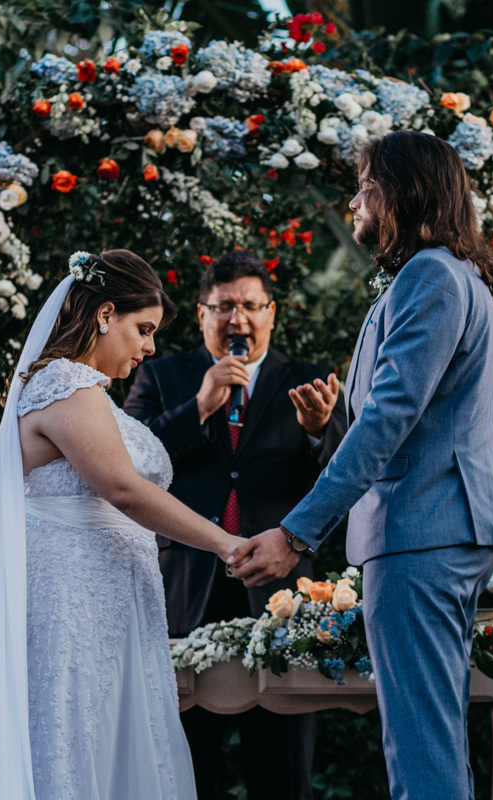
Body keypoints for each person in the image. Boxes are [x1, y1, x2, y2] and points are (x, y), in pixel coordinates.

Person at [231, 130, 493, 800]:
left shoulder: (430, 278)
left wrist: (296, 534)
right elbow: (401, 424)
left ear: (399, 192)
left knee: (418, 748)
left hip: (425, 532)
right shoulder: (448, 277)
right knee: (431, 741)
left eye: (363, 185)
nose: (353, 200)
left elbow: (388, 423)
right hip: (438, 530)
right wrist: (323, 427)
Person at [0, 250, 245, 800]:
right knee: (67, 736)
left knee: (103, 737)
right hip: (70, 600)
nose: (150, 346)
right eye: (144, 328)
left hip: (108, 601)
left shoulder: (90, 394)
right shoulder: (65, 384)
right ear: (105, 313)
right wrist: (228, 544)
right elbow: (123, 489)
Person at [123, 251, 347, 800]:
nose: (237, 319)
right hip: (184, 593)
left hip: (280, 598)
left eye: (250, 306)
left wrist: (322, 430)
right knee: (181, 766)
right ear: (201, 314)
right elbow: (125, 466)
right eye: (223, 307)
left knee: (283, 771)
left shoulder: (307, 381)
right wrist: (198, 406)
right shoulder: (159, 375)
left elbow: (344, 480)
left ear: (272, 313)